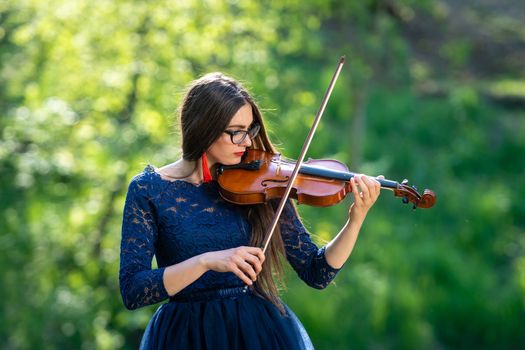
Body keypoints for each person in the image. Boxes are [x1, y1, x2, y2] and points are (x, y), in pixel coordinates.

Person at [119, 72, 382, 349]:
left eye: (250, 130)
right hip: (185, 336)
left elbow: (317, 273)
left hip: (254, 332)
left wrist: (355, 221)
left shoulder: (261, 183)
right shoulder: (148, 190)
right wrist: (206, 261)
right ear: (203, 128)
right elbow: (134, 290)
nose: (246, 142)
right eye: (236, 132)